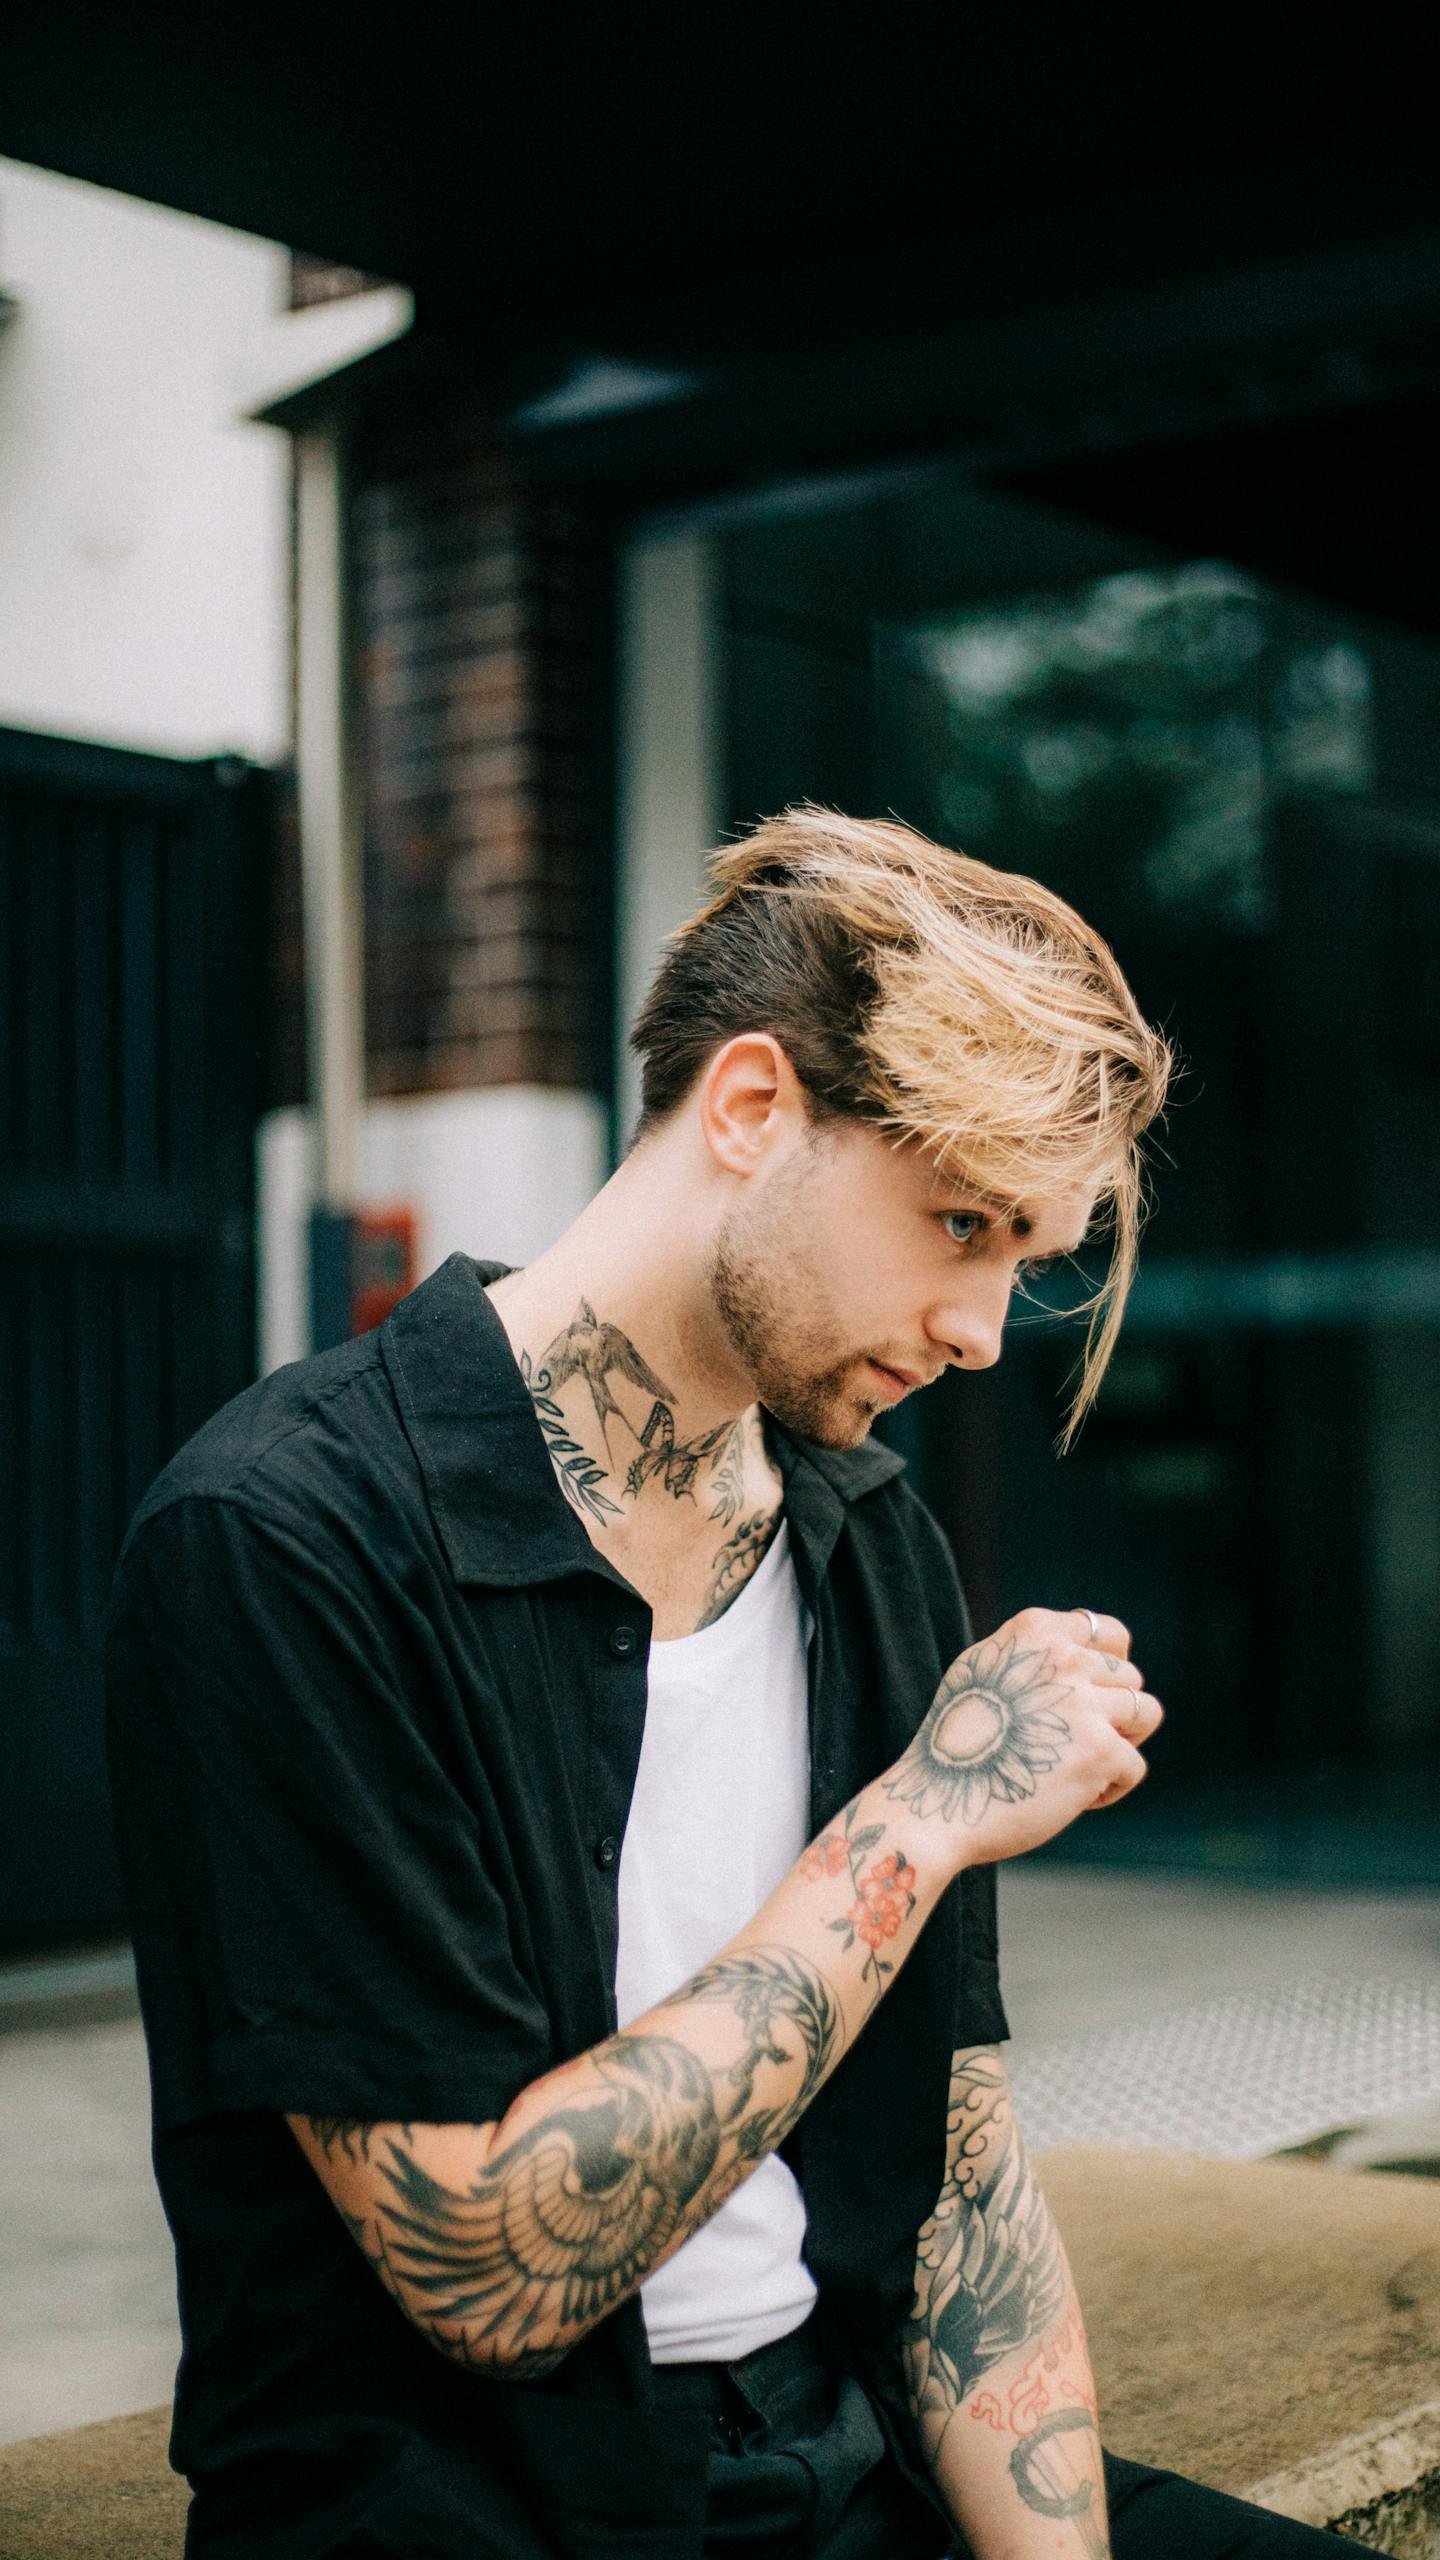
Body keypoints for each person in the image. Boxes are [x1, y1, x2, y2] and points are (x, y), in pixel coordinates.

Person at [105, 809, 1362, 2558]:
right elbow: (489, 2264)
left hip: (845, 2457)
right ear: (756, 1107)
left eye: (1025, 1257)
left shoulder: (866, 1532)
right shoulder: (290, 1536)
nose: (986, 1329)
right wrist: (918, 1820)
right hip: (472, 2509)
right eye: (961, 1222)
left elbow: (955, 2180)